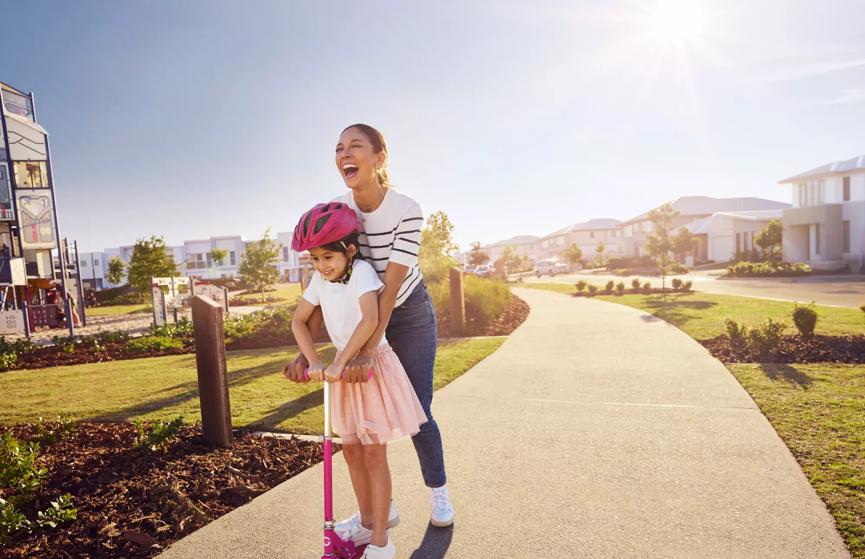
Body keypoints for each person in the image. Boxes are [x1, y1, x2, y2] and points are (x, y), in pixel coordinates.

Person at [285, 124, 455, 530]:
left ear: (380, 157)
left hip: (406, 311)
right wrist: (306, 348)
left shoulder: (406, 209)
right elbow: (333, 278)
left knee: (417, 408)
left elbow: (390, 286)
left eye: (355, 146)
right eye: (339, 148)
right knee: (363, 427)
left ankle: (438, 490)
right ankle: (382, 511)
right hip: (366, 316)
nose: (345, 153)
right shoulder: (339, 211)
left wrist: (366, 351)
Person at [289, 202, 428, 559]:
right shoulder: (319, 280)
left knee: (373, 451)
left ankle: (382, 539)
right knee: (350, 450)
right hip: (342, 372)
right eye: (315, 259)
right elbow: (298, 321)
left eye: (328, 258)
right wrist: (315, 359)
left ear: (349, 251)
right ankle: (367, 521)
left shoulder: (364, 271)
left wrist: (342, 359)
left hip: (370, 367)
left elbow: (369, 319)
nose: (321, 266)